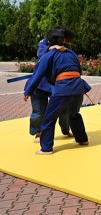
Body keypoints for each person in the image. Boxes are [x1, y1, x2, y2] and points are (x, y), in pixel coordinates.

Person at [23, 27, 90, 155]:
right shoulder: (72, 53)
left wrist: (28, 91)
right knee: (74, 114)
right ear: (63, 40)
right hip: (78, 88)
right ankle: (82, 139)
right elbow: (79, 72)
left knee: (49, 119)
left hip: (62, 89)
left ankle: (46, 148)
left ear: (49, 42)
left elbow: (37, 75)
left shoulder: (49, 55)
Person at [25, 37, 72, 143]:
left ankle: (66, 130)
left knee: (64, 109)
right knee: (39, 111)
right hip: (39, 84)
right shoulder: (44, 44)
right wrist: (53, 47)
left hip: (55, 84)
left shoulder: (64, 49)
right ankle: (38, 132)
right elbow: (40, 53)